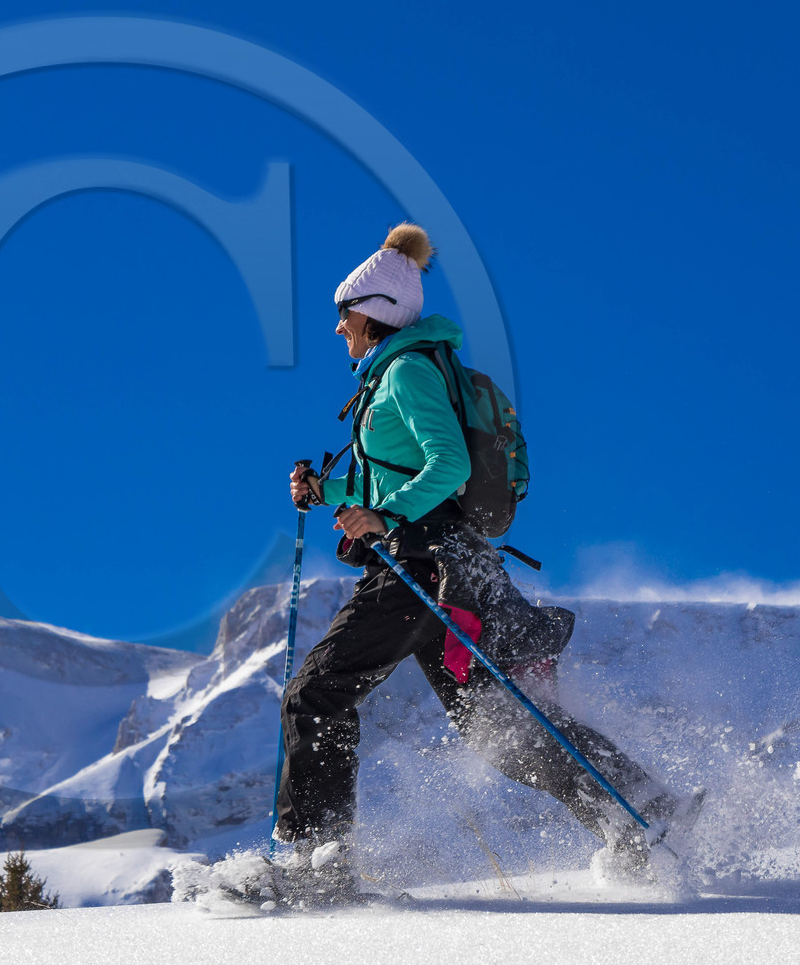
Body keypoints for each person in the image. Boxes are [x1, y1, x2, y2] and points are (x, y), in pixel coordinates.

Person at [275, 222, 683, 891]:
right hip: (457, 571)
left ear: (373, 312)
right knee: (504, 733)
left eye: (344, 315)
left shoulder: (405, 370)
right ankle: (644, 814)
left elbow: (448, 464)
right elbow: (397, 476)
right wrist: (329, 490)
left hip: (421, 566)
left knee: (316, 692)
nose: (339, 329)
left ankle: (316, 860)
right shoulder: (403, 371)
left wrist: (383, 515)